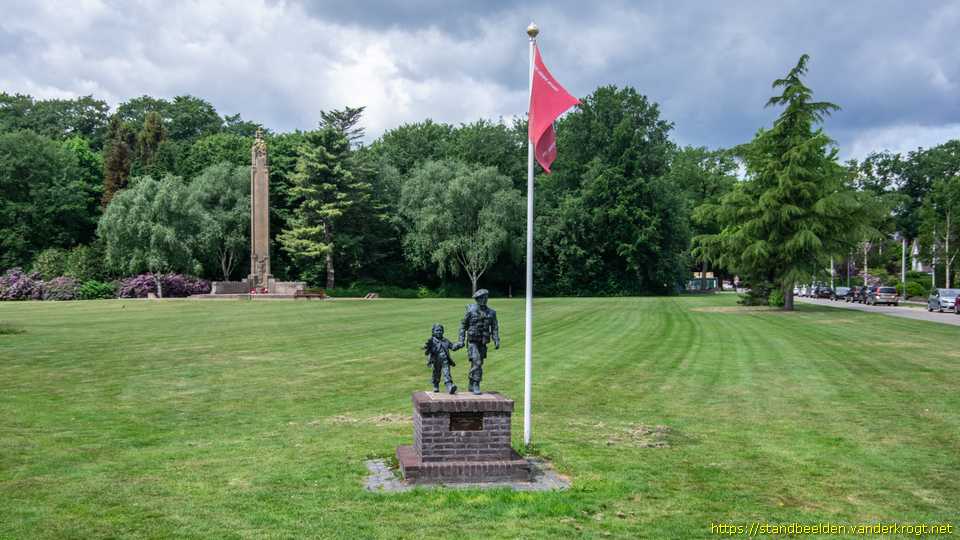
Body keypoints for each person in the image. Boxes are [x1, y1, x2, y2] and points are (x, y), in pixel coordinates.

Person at [456, 289, 500, 394]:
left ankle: (471, 383)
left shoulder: (492, 313)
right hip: (472, 342)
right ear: (477, 300)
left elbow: (494, 327)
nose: (484, 300)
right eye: (481, 298)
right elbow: (463, 326)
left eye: (485, 298)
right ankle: (476, 383)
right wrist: (461, 340)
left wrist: (496, 339)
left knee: (477, 364)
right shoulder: (471, 311)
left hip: (483, 342)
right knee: (477, 362)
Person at [423, 323, 459, 394]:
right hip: (436, 360)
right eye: (437, 330)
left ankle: (449, 386)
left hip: (445, 360)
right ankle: (436, 385)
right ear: (433, 332)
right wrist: (429, 361)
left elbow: (452, 347)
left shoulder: (445, 340)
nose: (439, 332)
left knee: (447, 372)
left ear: (443, 331)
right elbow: (428, 352)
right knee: (436, 373)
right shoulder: (431, 341)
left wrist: (459, 345)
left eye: (440, 330)